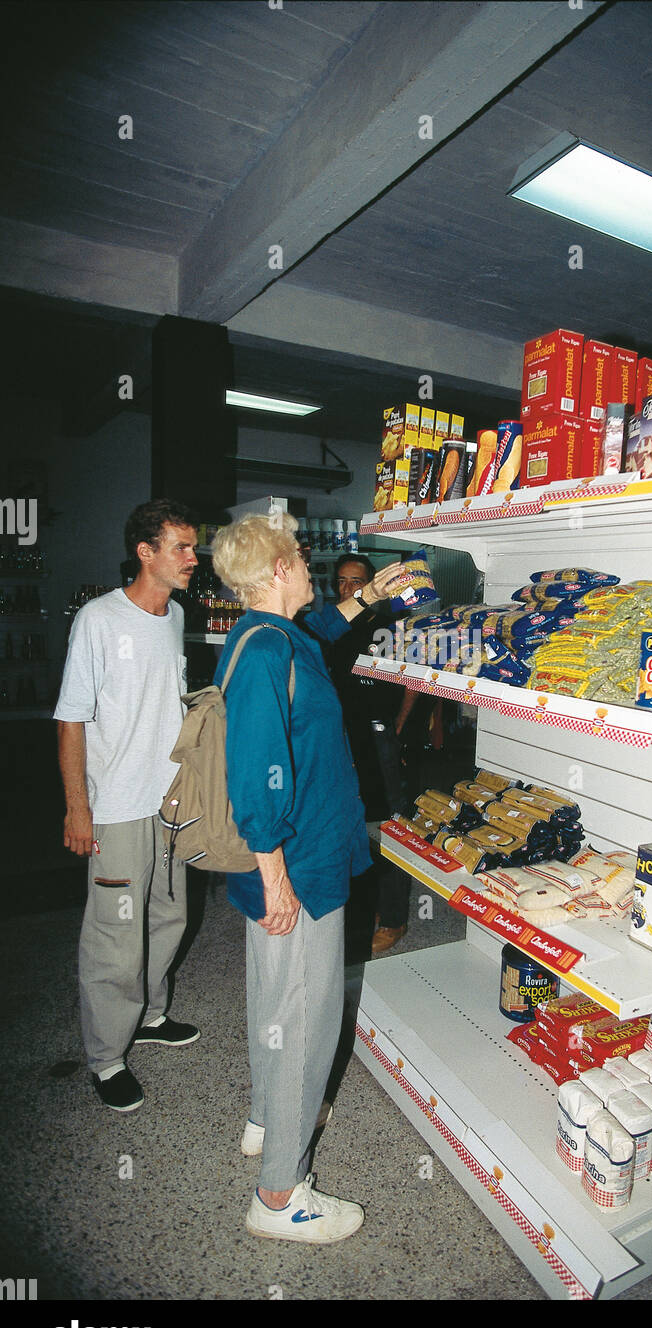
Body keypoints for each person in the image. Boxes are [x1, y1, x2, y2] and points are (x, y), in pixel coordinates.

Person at [210, 512, 403, 1243]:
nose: (309, 566)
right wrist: (277, 879)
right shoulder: (265, 654)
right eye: (297, 555)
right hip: (297, 865)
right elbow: (253, 777)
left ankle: (265, 1119)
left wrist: (369, 595)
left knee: (274, 1001)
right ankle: (281, 1196)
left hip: (302, 856)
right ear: (278, 568)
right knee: (305, 1020)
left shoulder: (275, 636)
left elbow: (318, 630)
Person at [55, 499, 201, 1114]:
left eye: (194, 548)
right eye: (182, 548)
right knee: (116, 933)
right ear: (146, 551)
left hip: (170, 799)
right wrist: (77, 809)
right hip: (114, 805)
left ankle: (151, 1013)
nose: (194, 559)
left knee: (169, 915)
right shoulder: (98, 619)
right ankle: (107, 1056)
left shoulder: (174, 616)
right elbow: (70, 719)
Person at [327, 553, 419, 956]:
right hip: (338, 739)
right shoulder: (327, 627)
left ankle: (395, 919)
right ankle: (355, 910)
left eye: (357, 582)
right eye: (343, 582)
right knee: (349, 824)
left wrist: (396, 728)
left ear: (373, 586)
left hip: (379, 737)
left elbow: (414, 681)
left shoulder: (391, 627)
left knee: (388, 828)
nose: (350, 589)